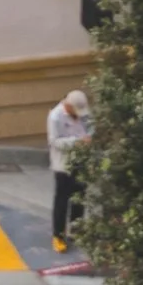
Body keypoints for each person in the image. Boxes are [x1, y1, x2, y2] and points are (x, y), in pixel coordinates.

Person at [46, 83, 94, 253]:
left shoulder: (82, 113)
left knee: (79, 197)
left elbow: (91, 127)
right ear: (68, 106)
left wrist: (90, 137)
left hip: (81, 161)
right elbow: (54, 141)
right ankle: (58, 235)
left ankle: (76, 229)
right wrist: (76, 142)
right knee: (62, 200)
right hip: (63, 165)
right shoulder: (55, 117)